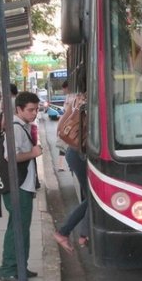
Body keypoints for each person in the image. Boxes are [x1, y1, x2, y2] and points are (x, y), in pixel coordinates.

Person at [0, 91, 42, 281]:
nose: (34, 113)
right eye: (30, 110)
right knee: (18, 227)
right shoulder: (16, 128)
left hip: (23, 184)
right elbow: (11, 156)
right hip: (19, 185)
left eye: (36, 109)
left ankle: (19, 266)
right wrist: (33, 153)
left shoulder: (21, 125)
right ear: (19, 109)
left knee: (21, 227)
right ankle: (9, 268)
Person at [53, 88, 89, 253]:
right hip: (80, 154)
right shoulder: (90, 101)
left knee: (91, 196)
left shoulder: (75, 100)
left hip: (73, 152)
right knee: (93, 198)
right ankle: (65, 232)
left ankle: (83, 234)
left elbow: (60, 129)